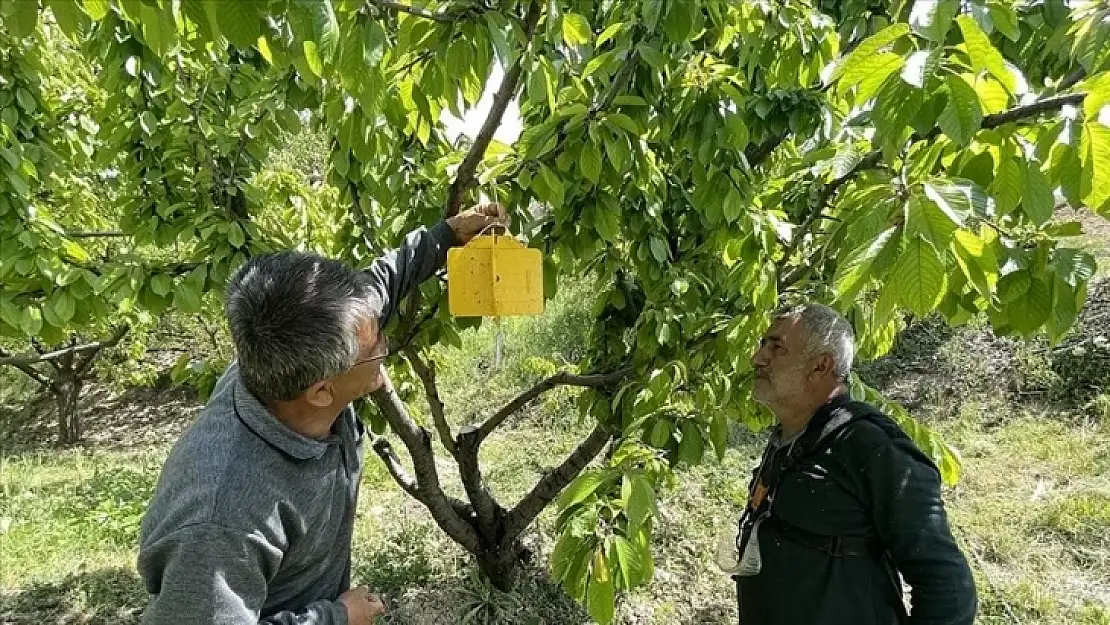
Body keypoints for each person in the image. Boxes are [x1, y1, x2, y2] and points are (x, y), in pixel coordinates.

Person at [137, 204, 507, 625]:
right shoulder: (221, 522)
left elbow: (381, 284)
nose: (385, 346)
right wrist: (335, 617)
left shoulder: (283, 362)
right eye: (376, 348)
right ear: (322, 391)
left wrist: (447, 234)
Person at [729, 304, 977, 625]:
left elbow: (950, 589)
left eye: (776, 347)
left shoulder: (870, 446)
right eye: (763, 345)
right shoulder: (790, 437)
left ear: (820, 366)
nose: (758, 358)